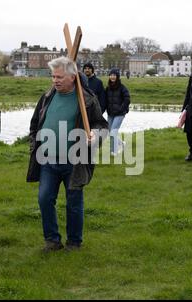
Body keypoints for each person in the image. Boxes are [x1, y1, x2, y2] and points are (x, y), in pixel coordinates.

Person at [26, 57, 108, 252]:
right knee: (44, 199)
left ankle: (74, 243)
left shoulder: (86, 99)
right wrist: (33, 144)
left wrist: (95, 135)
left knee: (73, 202)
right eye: (53, 76)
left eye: (60, 77)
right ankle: (52, 241)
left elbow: (101, 124)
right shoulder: (48, 96)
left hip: (74, 160)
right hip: (47, 159)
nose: (55, 80)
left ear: (73, 77)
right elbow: (35, 122)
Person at [105, 68, 130, 156]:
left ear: (117, 76)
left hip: (119, 114)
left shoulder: (122, 87)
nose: (112, 77)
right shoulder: (108, 88)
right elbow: (105, 101)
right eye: (111, 75)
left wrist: (121, 109)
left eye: (114, 75)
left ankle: (114, 152)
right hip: (110, 114)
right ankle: (122, 144)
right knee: (110, 133)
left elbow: (127, 99)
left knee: (113, 132)